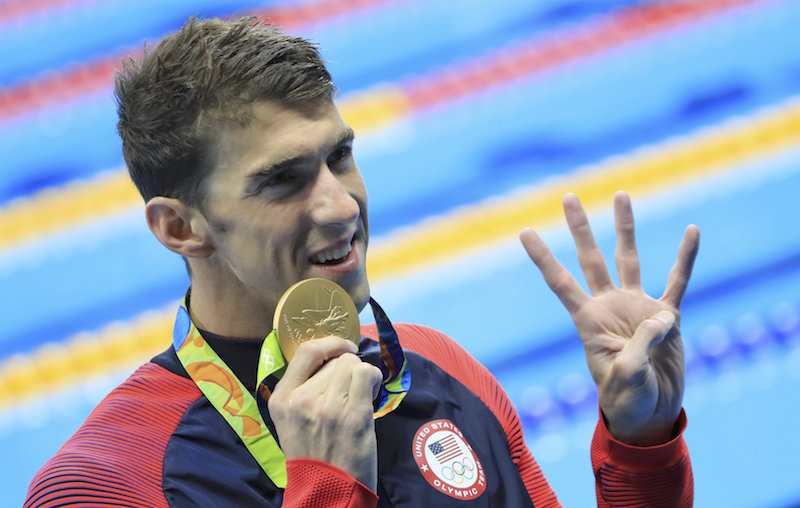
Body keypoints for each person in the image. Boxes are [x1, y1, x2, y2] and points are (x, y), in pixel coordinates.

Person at [25, 16, 699, 507]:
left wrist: (643, 447)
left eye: (339, 157)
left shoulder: (444, 372)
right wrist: (329, 488)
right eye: (283, 179)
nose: (341, 206)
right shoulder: (104, 484)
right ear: (179, 227)